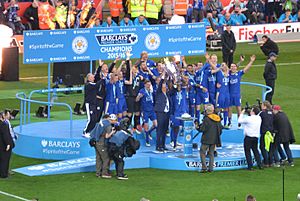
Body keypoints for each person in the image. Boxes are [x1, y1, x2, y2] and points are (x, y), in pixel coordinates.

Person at [228, 55, 256, 128]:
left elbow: (246, 69)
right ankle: (229, 122)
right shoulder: (228, 74)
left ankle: (239, 123)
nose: (233, 68)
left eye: (234, 66)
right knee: (229, 109)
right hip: (229, 94)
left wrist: (251, 61)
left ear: (236, 68)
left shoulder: (239, 74)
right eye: (231, 66)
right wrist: (240, 61)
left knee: (238, 109)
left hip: (237, 95)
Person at [196, 104, 222, 173]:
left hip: (206, 139)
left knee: (202, 152)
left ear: (207, 111)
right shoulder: (217, 118)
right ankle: (211, 168)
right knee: (211, 153)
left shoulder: (206, 119)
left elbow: (202, 129)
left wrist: (197, 127)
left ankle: (204, 168)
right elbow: (220, 130)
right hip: (214, 139)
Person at [89, 114, 117, 178]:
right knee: (106, 158)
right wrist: (112, 132)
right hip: (101, 143)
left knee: (98, 158)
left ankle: (98, 173)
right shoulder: (108, 126)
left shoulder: (102, 121)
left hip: (95, 141)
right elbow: (107, 136)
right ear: (112, 120)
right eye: (115, 120)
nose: (116, 122)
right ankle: (104, 173)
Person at [238, 106, 263, 170]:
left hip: (248, 137)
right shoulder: (259, 118)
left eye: (251, 110)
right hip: (255, 137)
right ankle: (260, 165)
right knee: (255, 150)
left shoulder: (249, 119)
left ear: (253, 112)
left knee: (247, 151)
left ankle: (250, 166)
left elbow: (239, 121)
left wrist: (242, 113)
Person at [154, 71, 172, 152]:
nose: (165, 87)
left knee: (165, 129)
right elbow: (161, 83)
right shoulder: (159, 93)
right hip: (160, 112)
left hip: (166, 113)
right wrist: (163, 76)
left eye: (165, 86)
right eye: (163, 86)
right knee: (160, 129)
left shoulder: (168, 94)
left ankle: (163, 145)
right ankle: (158, 146)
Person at [136, 80, 157, 147]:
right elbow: (137, 99)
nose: (149, 86)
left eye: (149, 84)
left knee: (156, 125)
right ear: (145, 85)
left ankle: (149, 133)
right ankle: (147, 141)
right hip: (145, 111)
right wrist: (139, 96)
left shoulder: (151, 90)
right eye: (147, 84)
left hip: (152, 110)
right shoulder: (142, 91)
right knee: (146, 126)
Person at [83, 73, 103, 138]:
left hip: (93, 104)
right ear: (89, 78)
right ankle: (85, 131)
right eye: (92, 77)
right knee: (90, 119)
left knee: (94, 118)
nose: (94, 78)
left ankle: (90, 131)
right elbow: (97, 85)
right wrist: (102, 78)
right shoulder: (88, 85)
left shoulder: (92, 84)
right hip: (89, 104)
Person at [259, 101, 276, 167]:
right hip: (271, 133)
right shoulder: (272, 113)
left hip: (264, 133)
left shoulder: (262, 113)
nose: (261, 106)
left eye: (262, 105)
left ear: (265, 106)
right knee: (270, 148)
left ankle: (266, 162)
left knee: (262, 147)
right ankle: (271, 162)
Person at [0, 111, 15, 179]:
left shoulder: (3, 123)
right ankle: (4, 174)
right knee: (5, 160)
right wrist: (8, 144)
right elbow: (5, 135)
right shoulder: (3, 124)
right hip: (4, 145)